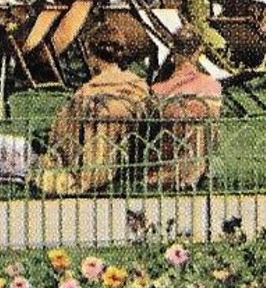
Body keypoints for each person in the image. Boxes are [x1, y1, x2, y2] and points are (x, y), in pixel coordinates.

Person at [34, 31, 151, 195]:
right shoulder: (138, 86)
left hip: (92, 156)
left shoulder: (87, 92)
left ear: (93, 57)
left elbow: (62, 133)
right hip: (130, 153)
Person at [144, 27, 223, 188]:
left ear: (173, 52)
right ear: (199, 52)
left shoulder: (159, 90)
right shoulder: (212, 86)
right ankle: (194, 171)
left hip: (165, 159)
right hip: (197, 154)